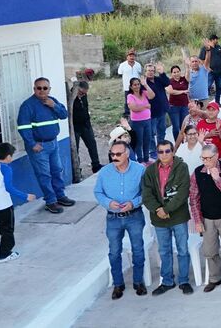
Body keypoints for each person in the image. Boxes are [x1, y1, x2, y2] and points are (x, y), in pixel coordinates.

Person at [93, 140, 147, 299]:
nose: (114, 157)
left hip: (134, 216)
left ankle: (138, 281)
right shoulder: (104, 172)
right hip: (113, 218)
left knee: (138, 249)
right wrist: (108, 203)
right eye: (112, 154)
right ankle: (118, 284)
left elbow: (147, 192)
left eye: (118, 154)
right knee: (114, 252)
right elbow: (98, 192)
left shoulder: (140, 170)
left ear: (127, 153)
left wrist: (133, 203)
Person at [141, 140, 192, 295]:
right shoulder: (150, 171)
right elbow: (146, 193)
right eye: (160, 152)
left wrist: (166, 209)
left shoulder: (182, 167)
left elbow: (183, 192)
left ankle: (184, 281)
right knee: (164, 251)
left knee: (182, 249)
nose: (164, 154)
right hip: (159, 218)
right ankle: (167, 281)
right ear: (157, 153)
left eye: (167, 151)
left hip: (178, 216)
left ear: (173, 151)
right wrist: (158, 209)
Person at [17, 77, 74, 214]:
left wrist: (53, 106)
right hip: (39, 146)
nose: (42, 90)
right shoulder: (28, 105)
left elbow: (64, 115)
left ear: (49, 89)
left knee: (56, 171)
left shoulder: (52, 101)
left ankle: (60, 196)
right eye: (39, 88)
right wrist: (32, 144)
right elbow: (23, 127)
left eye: (45, 88)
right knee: (44, 175)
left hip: (53, 143)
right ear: (34, 89)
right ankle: (50, 201)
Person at [189, 144, 221, 294]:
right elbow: (193, 198)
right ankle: (214, 278)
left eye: (208, 158)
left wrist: (217, 178)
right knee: (210, 251)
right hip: (207, 219)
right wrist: (197, 220)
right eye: (203, 158)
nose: (206, 161)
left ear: (217, 156)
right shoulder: (197, 172)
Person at [0, 143, 36, 263]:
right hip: (3, 204)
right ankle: (4, 254)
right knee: (8, 228)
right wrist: (26, 196)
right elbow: (9, 188)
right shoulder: (6, 169)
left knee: (2, 223)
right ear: (8, 157)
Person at [72, 81, 101, 173]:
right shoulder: (71, 97)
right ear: (76, 89)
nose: (83, 95)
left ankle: (96, 165)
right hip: (75, 126)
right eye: (81, 93)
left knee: (92, 144)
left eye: (85, 93)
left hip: (86, 124)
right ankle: (77, 169)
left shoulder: (84, 96)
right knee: (75, 149)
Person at [145, 62, 171, 160]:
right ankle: (152, 151)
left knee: (162, 131)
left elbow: (167, 83)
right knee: (151, 134)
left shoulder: (158, 79)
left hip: (162, 111)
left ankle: (160, 147)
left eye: (152, 71)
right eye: (149, 71)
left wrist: (162, 73)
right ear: (145, 72)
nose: (151, 72)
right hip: (151, 113)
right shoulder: (143, 83)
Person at [126, 77, 155, 163]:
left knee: (147, 140)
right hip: (137, 122)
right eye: (134, 85)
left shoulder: (144, 93)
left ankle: (146, 158)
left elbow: (152, 95)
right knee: (139, 141)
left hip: (147, 120)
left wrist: (145, 85)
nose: (137, 86)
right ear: (131, 86)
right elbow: (134, 108)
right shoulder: (130, 96)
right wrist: (145, 106)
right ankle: (140, 160)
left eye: (138, 84)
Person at [199, 34, 221, 107]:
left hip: (220, 71)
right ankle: (204, 104)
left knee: (219, 87)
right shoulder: (205, 48)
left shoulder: (218, 47)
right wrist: (207, 67)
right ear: (213, 40)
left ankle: (217, 103)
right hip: (210, 72)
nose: (217, 41)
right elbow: (201, 60)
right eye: (216, 39)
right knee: (207, 87)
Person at [166, 65, 190, 141]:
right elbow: (171, 91)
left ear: (180, 72)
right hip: (173, 107)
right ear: (171, 73)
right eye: (174, 72)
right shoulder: (169, 81)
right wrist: (183, 91)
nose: (176, 74)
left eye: (177, 72)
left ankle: (185, 141)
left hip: (184, 106)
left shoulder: (184, 79)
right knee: (176, 127)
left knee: (184, 126)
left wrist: (187, 67)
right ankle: (177, 142)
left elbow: (188, 76)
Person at [118, 49, 142, 115]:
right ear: (127, 57)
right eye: (130, 56)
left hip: (137, 85)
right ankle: (127, 113)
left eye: (133, 56)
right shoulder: (122, 65)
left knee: (137, 98)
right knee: (127, 100)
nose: (132, 57)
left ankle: (137, 110)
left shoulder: (138, 65)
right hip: (127, 86)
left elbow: (140, 74)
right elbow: (120, 73)